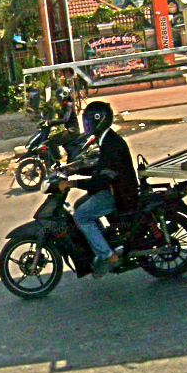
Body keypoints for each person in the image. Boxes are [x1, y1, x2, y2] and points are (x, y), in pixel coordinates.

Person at [63, 100, 139, 277]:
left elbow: (101, 181)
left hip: (118, 194)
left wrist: (73, 184)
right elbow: (100, 168)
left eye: (89, 121)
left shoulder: (111, 144)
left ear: (100, 121)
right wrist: (74, 170)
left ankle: (109, 256)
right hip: (114, 188)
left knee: (81, 216)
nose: (87, 125)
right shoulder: (106, 139)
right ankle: (102, 241)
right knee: (80, 204)